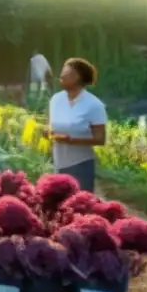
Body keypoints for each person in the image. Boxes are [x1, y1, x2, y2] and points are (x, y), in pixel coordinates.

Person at [48, 58, 107, 192]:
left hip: (81, 167)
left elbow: (100, 139)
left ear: (78, 77)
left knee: (80, 206)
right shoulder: (56, 100)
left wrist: (72, 140)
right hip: (59, 164)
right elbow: (53, 127)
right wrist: (48, 133)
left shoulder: (94, 105)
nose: (61, 76)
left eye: (66, 72)